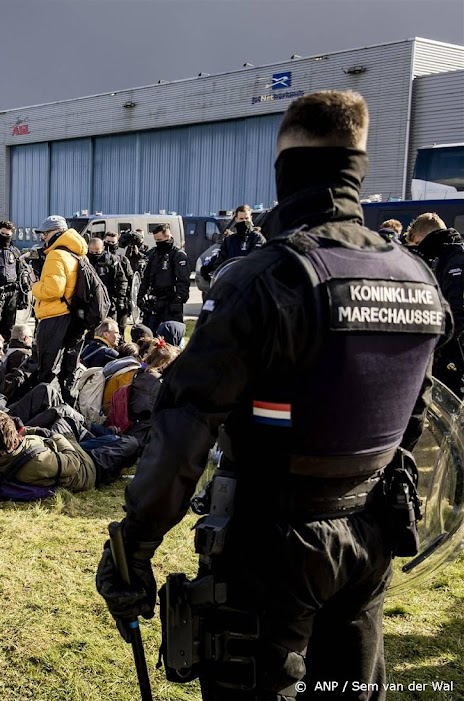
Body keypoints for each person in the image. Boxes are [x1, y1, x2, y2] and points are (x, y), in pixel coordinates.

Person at [97, 90, 448, 699]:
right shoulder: (416, 276)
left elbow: (185, 425)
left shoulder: (267, 279)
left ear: (285, 168)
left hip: (273, 544)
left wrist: (135, 545)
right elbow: (413, 412)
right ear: (357, 166)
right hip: (370, 534)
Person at [29, 215, 88, 402]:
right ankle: (66, 404)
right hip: (72, 317)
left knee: (48, 368)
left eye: (45, 233)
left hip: (54, 316)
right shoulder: (76, 253)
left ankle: (47, 405)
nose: (43, 238)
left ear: (56, 232)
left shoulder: (56, 255)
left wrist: (34, 285)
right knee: (67, 368)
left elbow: (52, 290)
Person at [405, 212, 464, 398]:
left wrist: (428, 345)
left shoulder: (455, 260)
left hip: (454, 356)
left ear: (421, 237)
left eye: (415, 244)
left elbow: (457, 315)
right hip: (448, 352)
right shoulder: (446, 256)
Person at [136, 223, 189, 331]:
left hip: (170, 302)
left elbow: (183, 281)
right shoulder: (153, 254)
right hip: (154, 302)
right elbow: (145, 278)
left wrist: (178, 300)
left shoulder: (178, 255)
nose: (158, 243)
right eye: (156, 240)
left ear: (168, 236)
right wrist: (140, 296)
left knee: (169, 336)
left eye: (160, 240)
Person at [202, 204, 266, 281]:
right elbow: (220, 260)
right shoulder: (230, 240)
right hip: (231, 280)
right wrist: (210, 270)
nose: (244, 221)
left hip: (251, 281)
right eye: (241, 219)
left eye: (246, 218)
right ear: (236, 219)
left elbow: (258, 260)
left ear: (251, 218)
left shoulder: (258, 238)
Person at [87, 237, 129, 333]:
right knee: (93, 329)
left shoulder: (111, 260)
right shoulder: (85, 260)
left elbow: (122, 280)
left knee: (110, 328)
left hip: (109, 300)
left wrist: (120, 299)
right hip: (91, 301)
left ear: (103, 248)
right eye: (91, 252)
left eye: (97, 252)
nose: (94, 255)